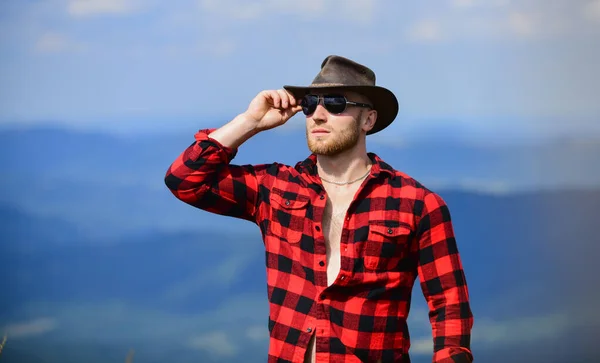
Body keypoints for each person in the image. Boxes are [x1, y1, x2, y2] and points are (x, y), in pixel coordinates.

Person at [164, 55, 474, 363]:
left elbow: (450, 304)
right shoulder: (276, 187)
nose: (319, 115)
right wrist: (250, 122)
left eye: (336, 103)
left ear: (368, 119)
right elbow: (185, 180)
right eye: (310, 104)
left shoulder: (417, 204)